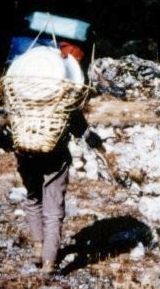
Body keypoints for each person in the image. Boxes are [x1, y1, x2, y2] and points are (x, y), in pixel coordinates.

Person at [15, 110, 102, 274]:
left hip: (25, 151)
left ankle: (38, 248)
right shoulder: (59, 88)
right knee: (53, 208)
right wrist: (90, 136)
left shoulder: (21, 88)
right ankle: (49, 262)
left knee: (33, 197)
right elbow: (76, 119)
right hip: (55, 151)